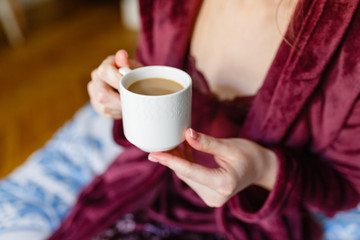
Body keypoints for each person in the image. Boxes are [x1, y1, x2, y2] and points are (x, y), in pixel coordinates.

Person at [48, 0, 360, 239]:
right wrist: (118, 99)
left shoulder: (347, 33)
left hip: (249, 225)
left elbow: (346, 185)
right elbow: (143, 88)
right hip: (136, 193)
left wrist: (263, 167)